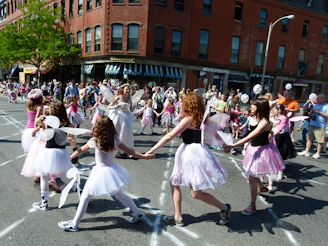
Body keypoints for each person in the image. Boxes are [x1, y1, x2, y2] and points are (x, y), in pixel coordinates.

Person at [146, 92, 231, 226]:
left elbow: (169, 136)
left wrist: (152, 149)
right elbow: (215, 134)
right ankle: (179, 216)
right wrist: (225, 145)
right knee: (192, 191)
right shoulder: (202, 119)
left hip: (189, 153)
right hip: (198, 153)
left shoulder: (189, 119)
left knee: (184, 187)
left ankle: (223, 208)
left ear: (188, 104)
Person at [58, 116, 152, 232]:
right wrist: (144, 156)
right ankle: (138, 213)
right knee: (119, 194)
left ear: (97, 127)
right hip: (112, 171)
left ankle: (74, 224)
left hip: (100, 172)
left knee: (85, 196)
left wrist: (71, 157)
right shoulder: (115, 139)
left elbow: (81, 150)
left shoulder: (95, 140)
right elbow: (130, 151)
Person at [223, 98, 285, 215]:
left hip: (262, 151)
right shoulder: (253, 118)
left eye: (253, 105)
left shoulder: (264, 122)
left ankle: (252, 205)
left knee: (251, 176)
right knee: (251, 173)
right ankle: (261, 187)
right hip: (253, 149)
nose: (251, 107)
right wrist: (239, 128)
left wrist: (232, 145)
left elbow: (251, 135)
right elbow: (248, 131)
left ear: (260, 108)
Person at [32, 102, 77, 210]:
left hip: (48, 152)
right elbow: (71, 139)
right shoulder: (68, 124)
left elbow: (43, 134)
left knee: (44, 176)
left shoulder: (47, 121)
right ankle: (82, 192)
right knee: (65, 176)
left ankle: (44, 203)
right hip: (62, 152)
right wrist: (75, 152)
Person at [107, 84, 135, 159]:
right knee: (119, 133)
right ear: (123, 90)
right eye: (127, 89)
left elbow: (131, 109)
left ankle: (128, 151)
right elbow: (109, 107)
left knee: (127, 133)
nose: (128, 91)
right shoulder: (118, 97)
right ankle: (118, 151)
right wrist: (116, 106)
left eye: (129, 89)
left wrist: (134, 108)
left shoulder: (129, 99)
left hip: (126, 117)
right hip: (118, 116)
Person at [298, 94, 328, 159]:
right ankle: (307, 151)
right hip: (312, 123)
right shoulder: (316, 105)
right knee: (309, 138)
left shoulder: (326, 106)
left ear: (323, 99)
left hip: (320, 126)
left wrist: (319, 112)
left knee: (320, 140)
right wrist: (311, 113)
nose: (317, 100)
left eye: (318, 98)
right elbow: (311, 112)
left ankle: (318, 153)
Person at [21, 89, 44, 153]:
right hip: (36, 129)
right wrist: (35, 129)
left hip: (28, 129)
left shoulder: (29, 106)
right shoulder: (39, 107)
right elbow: (36, 118)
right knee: (38, 150)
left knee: (32, 151)